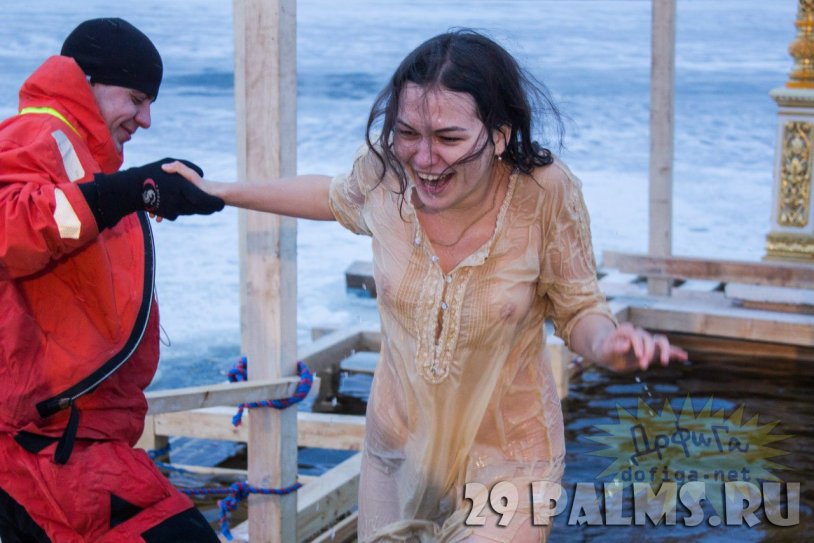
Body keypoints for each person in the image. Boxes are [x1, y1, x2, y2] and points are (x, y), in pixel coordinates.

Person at [169, 29, 687, 542]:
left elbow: (578, 309)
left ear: (500, 135)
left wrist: (608, 345)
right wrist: (218, 191)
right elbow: (331, 196)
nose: (422, 158)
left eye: (448, 138)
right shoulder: (384, 177)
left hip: (511, 459)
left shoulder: (544, 192)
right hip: (397, 454)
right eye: (407, 132)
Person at [0, 18, 225, 542]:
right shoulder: (36, 133)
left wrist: (133, 189)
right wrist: (128, 191)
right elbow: (9, 224)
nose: (146, 119)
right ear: (88, 83)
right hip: (49, 446)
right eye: (136, 99)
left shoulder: (85, 158)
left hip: (80, 437)